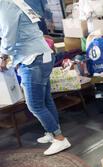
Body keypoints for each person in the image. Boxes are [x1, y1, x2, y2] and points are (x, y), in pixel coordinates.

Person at [0, 0, 71, 155]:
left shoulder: (6, 5)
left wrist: (3, 59)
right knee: (45, 100)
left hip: (32, 59)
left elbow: (8, 35)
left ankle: (59, 139)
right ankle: (52, 132)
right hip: (42, 54)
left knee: (34, 105)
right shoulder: (16, 2)